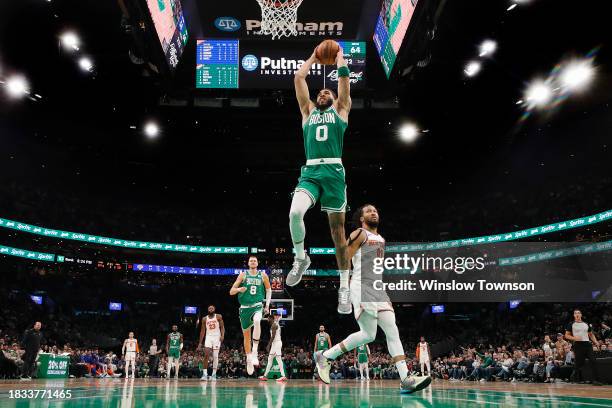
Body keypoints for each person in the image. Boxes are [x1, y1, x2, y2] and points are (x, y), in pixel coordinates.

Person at [313, 204, 431, 394]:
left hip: (377, 288)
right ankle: (326, 357)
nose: (373, 212)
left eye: (375, 210)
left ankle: (326, 356)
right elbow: (344, 258)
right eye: (368, 211)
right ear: (361, 218)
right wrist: (344, 286)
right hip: (361, 285)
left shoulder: (381, 239)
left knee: (373, 334)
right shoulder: (359, 233)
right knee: (381, 332)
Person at [286, 43, 354, 315]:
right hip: (311, 171)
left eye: (329, 91)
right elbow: (299, 78)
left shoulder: (341, 111)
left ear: (336, 99)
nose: (324, 92)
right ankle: (301, 258)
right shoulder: (308, 113)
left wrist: (339, 59)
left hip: (335, 173)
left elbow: (344, 81)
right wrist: (314, 56)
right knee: (294, 214)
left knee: (338, 235)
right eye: (321, 92)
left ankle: (344, 287)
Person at [229, 255, 271, 375]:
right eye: (251, 260)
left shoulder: (263, 275)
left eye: (255, 260)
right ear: (248, 263)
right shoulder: (242, 275)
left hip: (257, 305)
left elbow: (268, 290)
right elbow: (231, 291)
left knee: (258, 320)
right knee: (246, 337)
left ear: (257, 263)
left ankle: (255, 352)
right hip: (244, 308)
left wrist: (267, 305)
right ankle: (248, 359)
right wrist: (238, 289)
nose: (253, 262)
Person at [565, 309, 602, 385]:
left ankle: (595, 380)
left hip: (587, 344)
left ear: (581, 315)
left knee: (593, 361)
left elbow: (591, 334)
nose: (577, 314)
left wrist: (596, 342)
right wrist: (574, 338)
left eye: (578, 313)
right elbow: (566, 335)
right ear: (574, 315)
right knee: (578, 363)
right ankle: (575, 378)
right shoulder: (571, 324)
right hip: (578, 345)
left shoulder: (586, 324)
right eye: (575, 313)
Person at [198, 305, 225, 380]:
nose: (210, 309)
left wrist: (222, 335)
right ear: (208, 310)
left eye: (212, 308)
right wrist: (200, 343)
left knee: (215, 356)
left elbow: (222, 327)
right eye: (209, 308)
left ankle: (214, 374)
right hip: (208, 337)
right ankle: (205, 374)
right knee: (206, 354)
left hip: (217, 337)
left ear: (214, 309)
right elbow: (202, 331)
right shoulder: (204, 319)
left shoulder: (218, 316)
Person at [259, 311, 287, 382]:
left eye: (268, 318)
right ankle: (265, 376)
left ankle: (283, 376)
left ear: (271, 319)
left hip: (277, 343)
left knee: (278, 359)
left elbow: (273, 336)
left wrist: (268, 345)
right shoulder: (273, 324)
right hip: (274, 344)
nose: (267, 319)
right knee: (270, 359)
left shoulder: (274, 325)